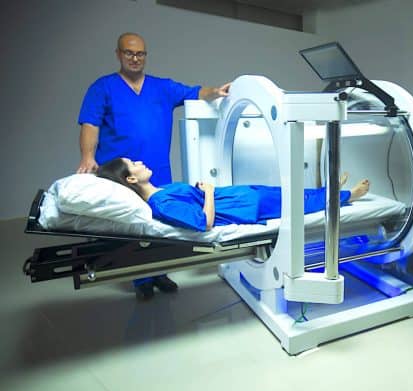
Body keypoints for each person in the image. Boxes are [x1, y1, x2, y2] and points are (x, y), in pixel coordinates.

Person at [76, 32, 231, 300]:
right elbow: (90, 123)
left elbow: (195, 92)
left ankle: (160, 272)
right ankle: (141, 278)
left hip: (156, 169)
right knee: (132, 224)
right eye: (129, 53)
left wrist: (215, 92)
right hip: (122, 173)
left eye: (140, 54)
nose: (135, 58)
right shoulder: (103, 88)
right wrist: (88, 157)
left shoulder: (162, 88)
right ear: (118, 54)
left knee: (161, 223)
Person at [96, 157, 370, 232]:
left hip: (241, 196)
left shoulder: (162, 190)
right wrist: (209, 192)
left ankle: (330, 191)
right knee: (300, 203)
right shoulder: (160, 204)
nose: (140, 162)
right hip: (242, 208)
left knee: (294, 193)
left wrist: (201, 190)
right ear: (131, 179)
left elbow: (192, 201)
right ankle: (348, 196)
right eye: (133, 164)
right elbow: (204, 223)